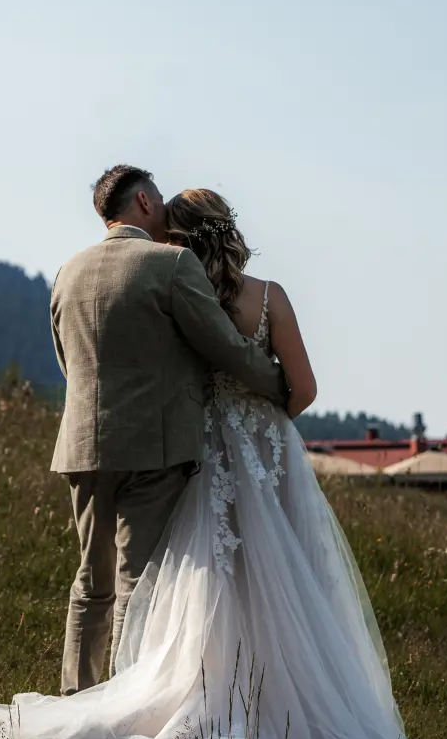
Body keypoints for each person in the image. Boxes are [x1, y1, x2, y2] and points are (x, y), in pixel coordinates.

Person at [0, 186, 447, 739]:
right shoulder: (263, 296)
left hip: (196, 452)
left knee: (192, 586)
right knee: (278, 584)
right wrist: (266, 408)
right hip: (261, 452)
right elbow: (300, 389)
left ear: (176, 235)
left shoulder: (173, 287)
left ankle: (164, 697)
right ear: (228, 229)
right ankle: (275, 710)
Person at [48, 164, 288, 694]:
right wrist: (278, 383)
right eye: (156, 199)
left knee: (91, 580)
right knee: (138, 581)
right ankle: (118, 706)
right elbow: (224, 345)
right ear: (141, 204)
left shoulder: (69, 270)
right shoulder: (171, 263)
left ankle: (73, 697)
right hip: (152, 447)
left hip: (83, 444)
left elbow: (68, 360)